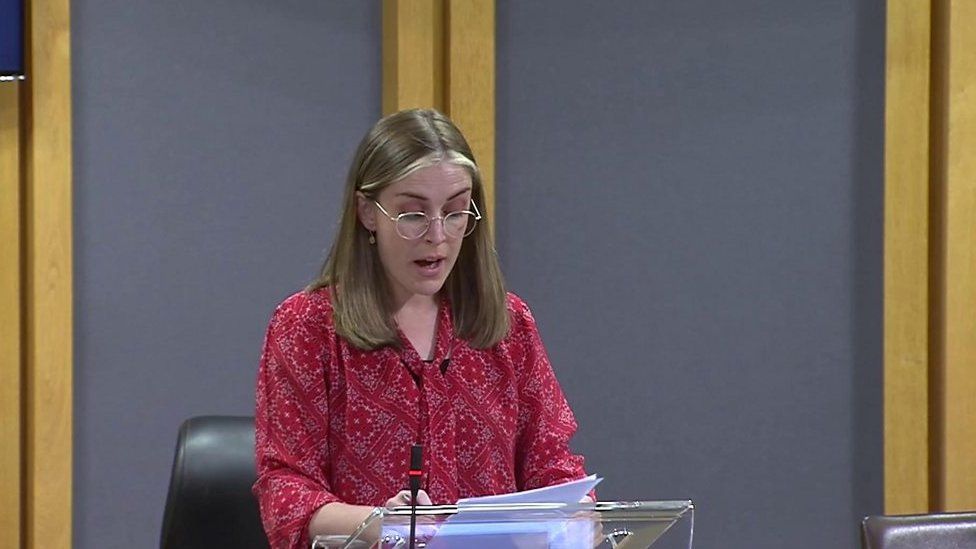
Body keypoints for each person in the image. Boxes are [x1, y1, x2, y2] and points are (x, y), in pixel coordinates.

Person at [253, 108, 589, 549]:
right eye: (412, 215)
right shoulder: (308, 327)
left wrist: (581, 518)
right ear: (367, 213)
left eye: (454, 212)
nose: (438, 235)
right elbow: (286, 491)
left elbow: (553, 466)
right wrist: (380, 523)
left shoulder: (509, 325)